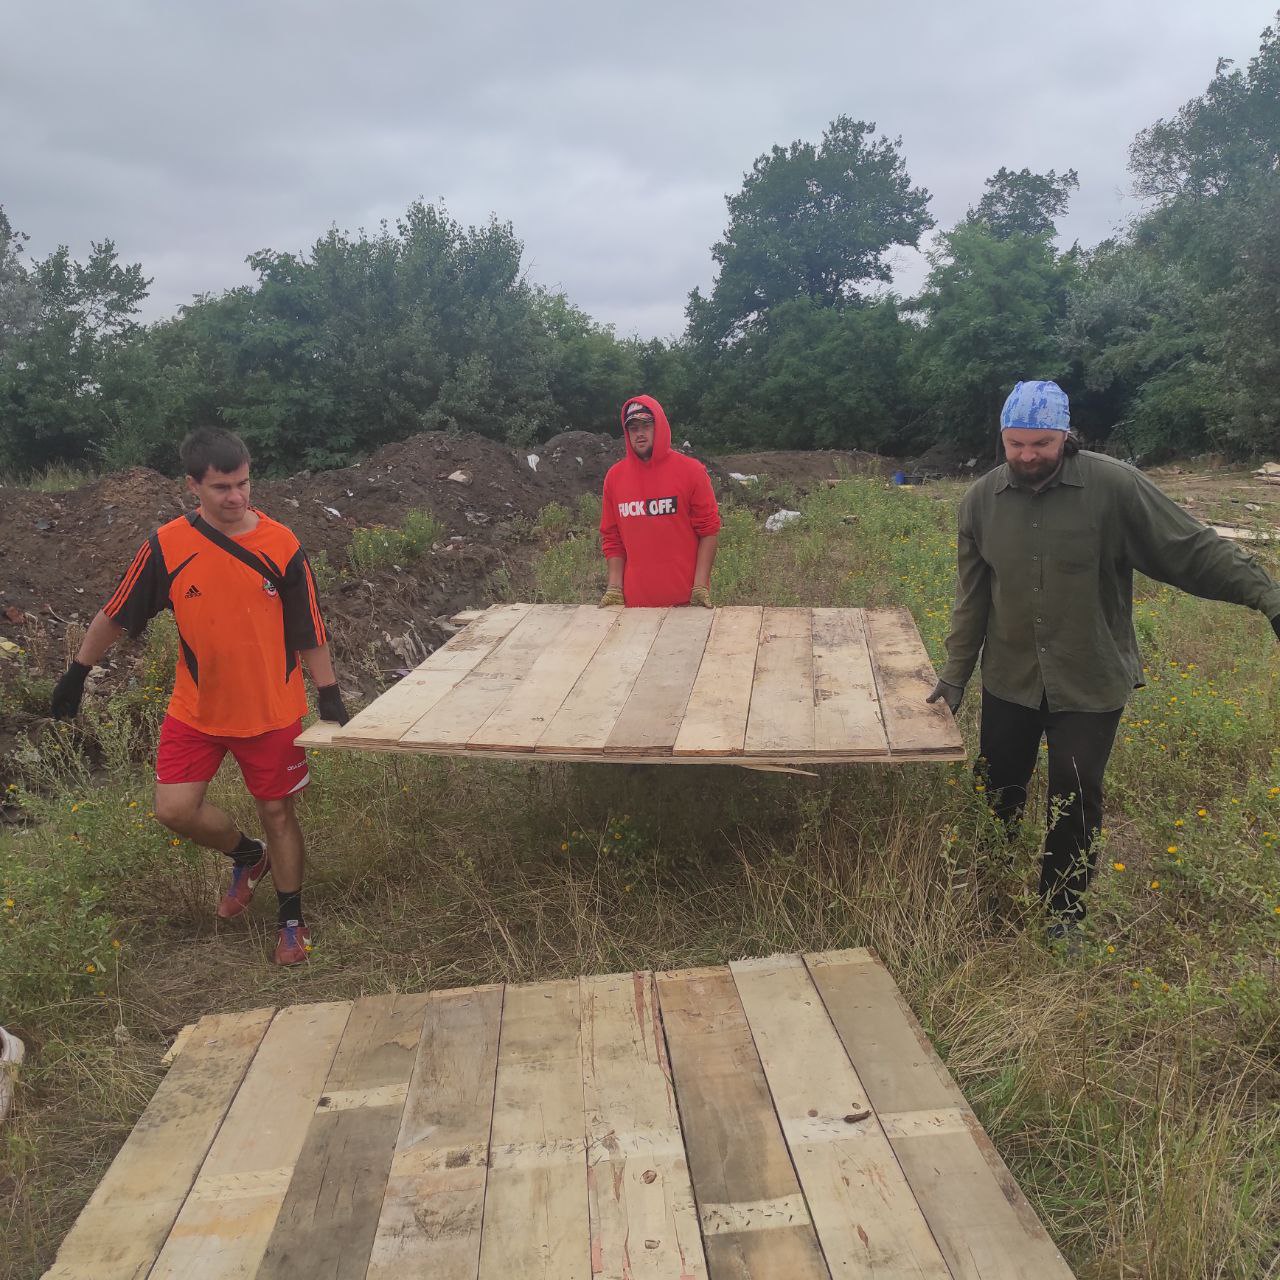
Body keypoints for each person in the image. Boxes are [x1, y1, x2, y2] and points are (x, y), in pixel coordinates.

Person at [928, 380, 1280, 940]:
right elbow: (972, 600)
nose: (1026, 456)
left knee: (1075, 793)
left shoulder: (1113, 487)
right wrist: (954, 676)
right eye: (1015, 444)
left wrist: (1267, 596)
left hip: (1088, 677)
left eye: (1040, 443)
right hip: (1010, 678)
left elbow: (1188, 548)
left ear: (1065, 435)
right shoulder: (980, 502)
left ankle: (1063, 915)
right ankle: (987, 896)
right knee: (996, 787)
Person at [50, 427, 350, 965]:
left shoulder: (282, 545)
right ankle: (245, 855)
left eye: (244, 483)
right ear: (193, 486)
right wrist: (77, 673)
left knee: (278, 813)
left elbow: (310, 628)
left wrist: (328, 693)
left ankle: (290, 920)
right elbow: (116, 613)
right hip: (198, 710)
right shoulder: (166, 547)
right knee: (174, 810)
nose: (237, 497)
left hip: (272, 711)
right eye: (221, 488)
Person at [598, 396, 721, 608]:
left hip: (685, 603)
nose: (640, 433)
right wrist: (615, 588)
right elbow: (612, 537)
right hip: (634, 605)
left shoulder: (691, 472)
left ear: (660, 426)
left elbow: (708, 532)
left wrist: (700, 587)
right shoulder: (615, 477)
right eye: (633, 428)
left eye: (646, 425)